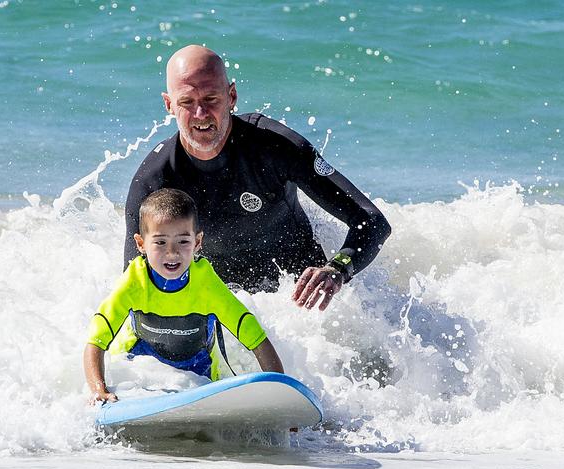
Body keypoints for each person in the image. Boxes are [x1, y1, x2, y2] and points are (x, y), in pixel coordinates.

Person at [125, 45, 391, 311]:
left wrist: (337, 269)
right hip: (221, 304)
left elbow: (372, 220)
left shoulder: (275, 147)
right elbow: (132, 284)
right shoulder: (155, 180)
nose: (200, 114)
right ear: (169, 104)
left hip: (305, 302)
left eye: (211, 99)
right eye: (187, 102)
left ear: (232, 96)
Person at [85, 188, 283, 403]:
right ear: (141, 244)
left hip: (199, 374)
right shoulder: (134, 283)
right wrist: (99, 389)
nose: (172, 252)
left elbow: (256, 339)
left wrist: (281, 397)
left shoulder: (206, 284)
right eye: (160, 242)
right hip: (137, 368)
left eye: (183, 241)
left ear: (197, 242)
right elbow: (96, 341)